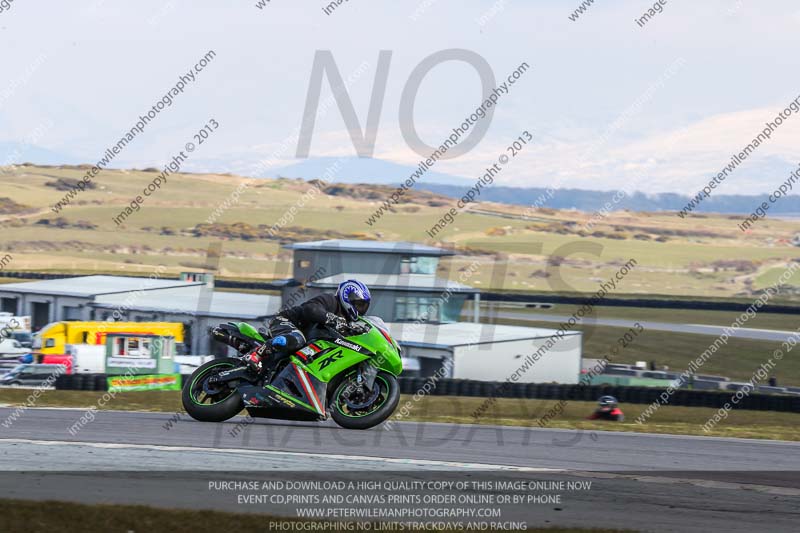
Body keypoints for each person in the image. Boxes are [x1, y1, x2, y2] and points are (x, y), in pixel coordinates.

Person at [214, 279, 371, 375]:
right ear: (347, 297)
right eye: (358, 304)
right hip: (286, 321)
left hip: (305, 343)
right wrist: (332, 318)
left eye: (363, 305)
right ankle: (256, 354)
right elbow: (310, 309)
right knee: (297, 339)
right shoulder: (331, 301)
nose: (360, 308)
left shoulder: (347, 323)